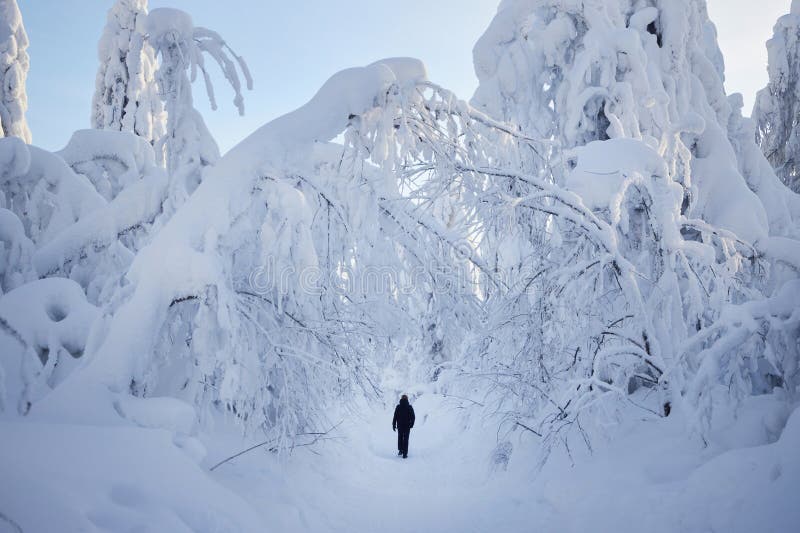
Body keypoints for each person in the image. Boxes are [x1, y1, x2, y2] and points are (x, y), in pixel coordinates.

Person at [392, 394, 415, 458]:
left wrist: (393, 425)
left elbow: (395, 416)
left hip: (400, 425)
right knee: (406, 439)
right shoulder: (409, 407)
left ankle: (400, 450)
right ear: (407, 399)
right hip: (407, 426)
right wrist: (411, 424)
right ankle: (405, 454)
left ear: (401, 399)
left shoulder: (398, 407)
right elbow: (413, 417)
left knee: (400, 438)